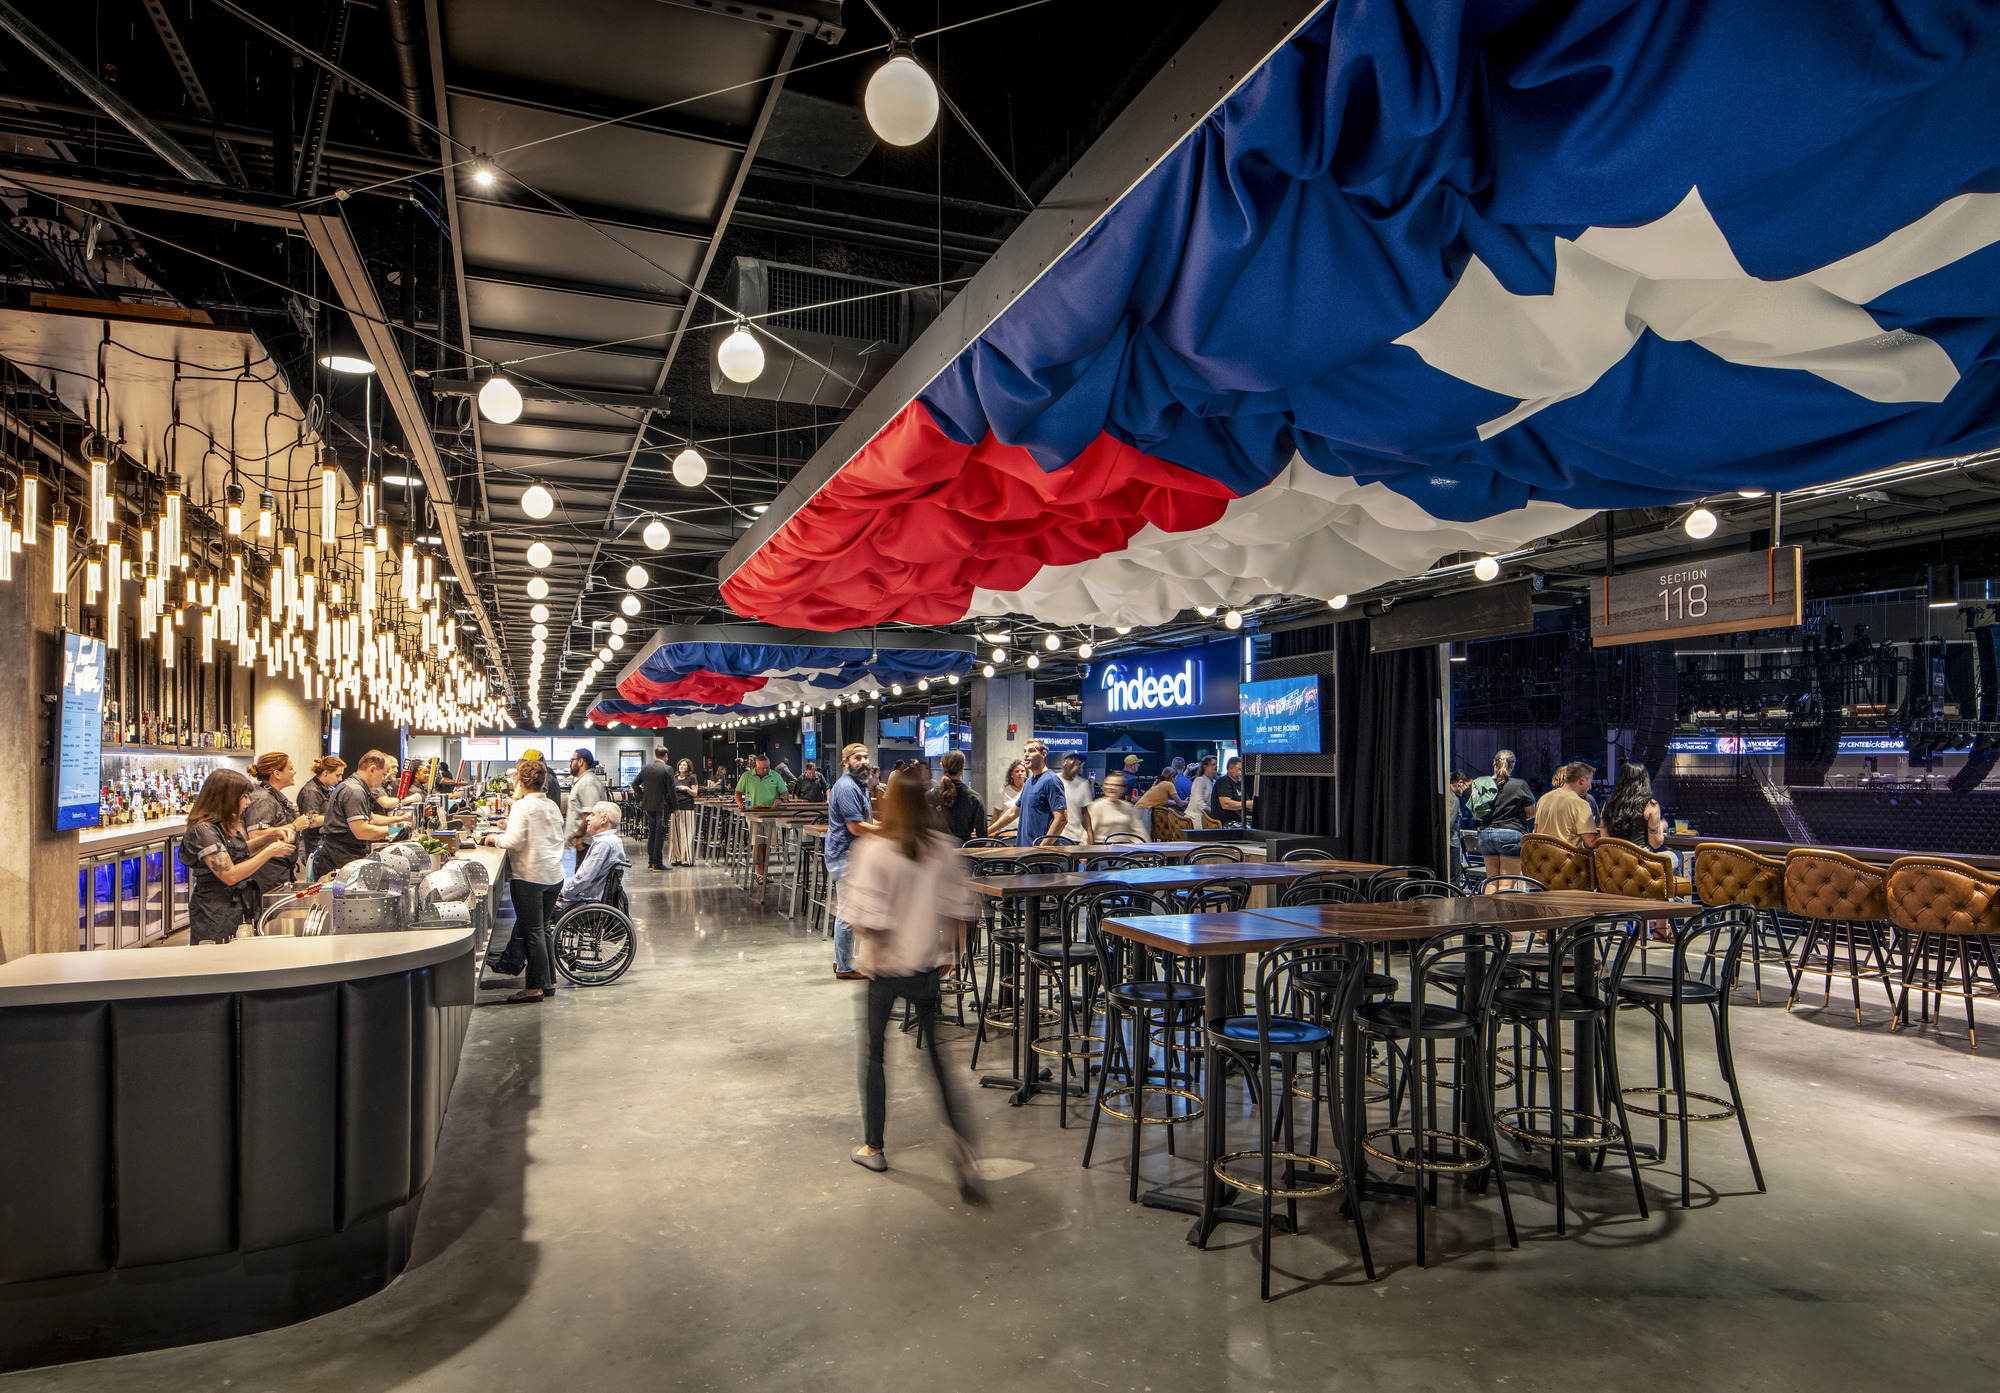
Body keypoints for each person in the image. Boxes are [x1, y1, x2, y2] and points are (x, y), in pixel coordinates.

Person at [842, 767, 983, 1200]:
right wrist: (952, 955)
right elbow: (959, 912)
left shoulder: (874, 851)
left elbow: (864, 920)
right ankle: (961, 1143)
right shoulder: (942, 848)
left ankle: (874, 1147)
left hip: (885, 969)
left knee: (875, 1056)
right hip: (925, 966)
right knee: (936, 1059)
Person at [481, 758, 566, 1003]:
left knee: (533, 932)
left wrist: (494, 838)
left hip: (530, 877)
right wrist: (509, 825)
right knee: (543, 929)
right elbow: (539, 832)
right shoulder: (551, 805)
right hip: (554, 875)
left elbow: (513, 841)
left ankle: (534, 988)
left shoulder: (522, 806)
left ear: (521, 782)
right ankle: (549, 982)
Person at [178, 768, 296, 944]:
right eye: (245, 797)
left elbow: (239, 851)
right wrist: (270, 852)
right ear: (227, 798)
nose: (248, 802)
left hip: (237, 904)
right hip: (216, 910)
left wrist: (271, 836)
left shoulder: (222, 825)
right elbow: (229, 874)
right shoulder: (204, 831)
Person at [826, 742, 875, 980]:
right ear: (846, 762)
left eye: (865, 757)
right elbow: (855, 827)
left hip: (851, 856)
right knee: (848, 913)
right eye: (858, 758)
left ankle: (841, 960)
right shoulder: (847, 787)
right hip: (845, 856)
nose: (863, 761)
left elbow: (865, 822)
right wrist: (887, 832)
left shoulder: (859, 785)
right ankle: (845, 967)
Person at [316, 751, 407, 877]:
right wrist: (396, 829)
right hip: (339, 853)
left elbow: (371, 818)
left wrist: (398, 819)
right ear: (372, 770)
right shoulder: (355, 791)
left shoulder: (357, 787)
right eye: (384, 773)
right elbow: (362, 831)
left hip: (343, 851)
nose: (385, 778)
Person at [243, 751, 318, 899]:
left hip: (280, 870)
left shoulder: (272, 796)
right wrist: (294, 826)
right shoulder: (263, 799)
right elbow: (256, 835)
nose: (294, 772)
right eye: (290, 768)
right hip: (267, 872)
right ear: (277, 773)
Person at [557, 801, 630, 914]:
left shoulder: (604, 844)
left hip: (588, 902)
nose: (587, 818)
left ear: (604, 819)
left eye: (592, 815)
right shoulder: (612, 841)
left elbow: (583, 877)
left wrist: (564, 892)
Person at [1477, 749, 1537, 884]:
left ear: (1494, 763)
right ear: (1513, 765)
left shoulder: (1482, 784)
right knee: (1506, 884)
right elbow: (1531, 813)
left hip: (1485, 834)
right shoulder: (1519, 785)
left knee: (1491, 882)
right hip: (1510, 833)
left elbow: (1478, 815)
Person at [735, 752, 790, 883]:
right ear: (756, 766)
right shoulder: (747, 776)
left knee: (767, 845)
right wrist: (740, 803)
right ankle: (759, 873)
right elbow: (737, 792)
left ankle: (764, 873)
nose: (765, 770)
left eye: (767, 767)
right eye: (762, 768)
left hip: (770, 815)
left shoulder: (775, 776)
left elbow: (785, 792)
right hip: (754, 815)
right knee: (757, 844)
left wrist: (781, 799)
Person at [1007, 739, 1068, 847]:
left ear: (1043, 754)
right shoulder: (1029, 782)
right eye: (1025, 751)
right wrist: (987, 831)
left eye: (1031, 751)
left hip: (1041, 854)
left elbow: (1062, 819)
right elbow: (1013, 812)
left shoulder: (1051, 780)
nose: (1026, 755)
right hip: (1025, 850)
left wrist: (1042, 847)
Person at [1600, 761, 1669, 852]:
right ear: (1645, 781)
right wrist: (1661, 825)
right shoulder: (1651, 805)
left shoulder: (1608, 803)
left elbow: (1604, 837)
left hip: (1613, 857)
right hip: (1639, 858)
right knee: (1677, 854)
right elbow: (1655, 843)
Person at [294, 755, 344, 879]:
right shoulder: (311, 791)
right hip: (314, 845)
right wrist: (340, 817)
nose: (340, 779)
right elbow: (312, 821)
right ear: (326, 773)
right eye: (337, 775)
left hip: (324, 843)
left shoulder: (325, 789)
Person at [1533, 761, 1600, 850]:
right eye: (1590, 782)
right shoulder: (1580, 804)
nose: (1590, 786)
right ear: (1582, 780)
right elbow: (1590, 843)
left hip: (1543, 856)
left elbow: (1536, 832)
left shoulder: (1543, 799)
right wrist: (1606, 832)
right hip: (1568, 856)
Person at [562, 748, 608, 868]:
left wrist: (579, 835)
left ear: (580, 761)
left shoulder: (587, 782)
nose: (570, 764)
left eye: (572, 760)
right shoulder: (583, 781)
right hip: (585, 841)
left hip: (587, 842)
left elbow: (589, 813)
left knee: (583, 876)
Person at [930, 749, 987, 844]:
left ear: (942, 766)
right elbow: (982, 837)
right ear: (962, 768)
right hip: (965, 851)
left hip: (936, 850)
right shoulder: (974, 798)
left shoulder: (929, 796)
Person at [634, 747, 672, 871]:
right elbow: (671, 791)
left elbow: (634, 784)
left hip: (649, 805)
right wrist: (675, 807)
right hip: (662, 805)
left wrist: (643, 797)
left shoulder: (646, 768)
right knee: (660, 834)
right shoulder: (667, 769)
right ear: (665, 755)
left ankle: (651, 862)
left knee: (652, 833)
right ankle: (657, 862)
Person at [1085, 773, 1149, 844]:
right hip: (1102, 847)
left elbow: (1140, 831)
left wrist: (1144, 848)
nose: (1112, 788)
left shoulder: (1128, 807)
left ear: (1123, 789)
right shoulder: (1096, 806)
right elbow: (1086, 834)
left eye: (1116, 785)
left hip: (1126, 848)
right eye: (1108, 784)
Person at [1136, 773, 1183, 842]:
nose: (1176, 780)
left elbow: (1169, 801)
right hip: (1143, 810)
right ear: (1172, 777)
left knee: (1141, 838)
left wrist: (1184, 801)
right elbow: (1179, 804)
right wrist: (1188, 802)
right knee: (1144, 838)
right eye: (1176, 777)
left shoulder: (1158, 784)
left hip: (1138, 809)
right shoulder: (1169, 784)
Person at [1058, 754, 1094, 844]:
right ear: (1063, 762)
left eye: (1079, 762)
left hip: (1075, 837)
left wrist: (1089, 834)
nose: (1076, 762)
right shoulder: (1053, 780)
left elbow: (1084, 812)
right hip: (1056, 836)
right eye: (1072, 759)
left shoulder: (1083, 784)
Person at [669, 757, 699, 865]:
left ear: (688, 767)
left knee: (686, 834)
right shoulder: (674, 778)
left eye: (684, 765)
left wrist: (686, 789)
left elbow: (695, 793)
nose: (682, 766)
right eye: (680, 764)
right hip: (675, 808)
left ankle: (686, 858)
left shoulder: (691, 778)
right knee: (675, 834)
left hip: (687, 807)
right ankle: (676, 857)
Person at [986, 759, 1026, 832]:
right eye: (1017, 771)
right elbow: (996, 814)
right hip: (1006, 832)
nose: (1020, 774)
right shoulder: (1003, 792)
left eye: (1022, 771)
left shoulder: (1029, 791)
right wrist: (991, 832)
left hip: (1024, 832)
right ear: (1011, 775)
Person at [1212, 756, 1252, 826]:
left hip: (1240, 820)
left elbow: (1248, 802)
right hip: (1226, 822)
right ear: (1230, 769)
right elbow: (1226, 804)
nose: (1242, 772)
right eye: (1240, 769)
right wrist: (1247, 804)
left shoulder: (1240, 784)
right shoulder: (1223, 782)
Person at [1185, 755, 1217, 830]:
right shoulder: (1199, 780)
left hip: (1208, 819)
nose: (1216, 767)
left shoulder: (1215, 782)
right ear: (1205, 767)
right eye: (1213, 764)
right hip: (1195, 819)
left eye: (1216, 764)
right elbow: (1198, 802)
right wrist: (1212, 812)